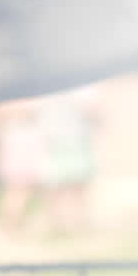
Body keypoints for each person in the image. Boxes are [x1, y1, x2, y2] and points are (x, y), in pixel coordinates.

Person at [40, 85, 100, 232]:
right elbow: (92, 111)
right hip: (66, 140)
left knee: (67, 186)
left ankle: (70, 223)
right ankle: (64, 223)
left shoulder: (51, 86)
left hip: (64, 140)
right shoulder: (82, 88)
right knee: (66, 186)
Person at [0, 98, 45, 231]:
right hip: (21, 148)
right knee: (18, 190)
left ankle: (15, 224)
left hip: (19, 145)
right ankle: (11, 225)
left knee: (19, 190)